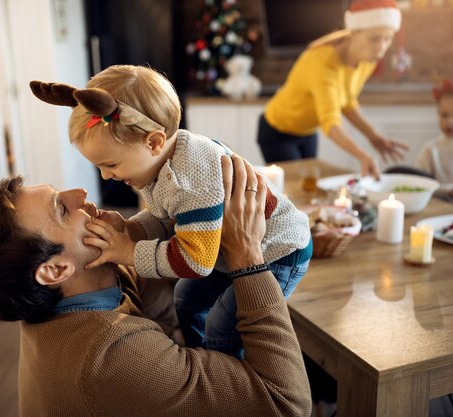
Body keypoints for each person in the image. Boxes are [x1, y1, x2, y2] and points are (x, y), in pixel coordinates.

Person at [0, 155, 312, 417]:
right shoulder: (111, 359)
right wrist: (248, 255)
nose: (81, 193)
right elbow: (286, 403)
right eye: (62, 210)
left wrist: (144, 226)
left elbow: (157, 288)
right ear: (54, 270)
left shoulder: (75, 294)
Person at [30, 65, 312, 358]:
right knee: (186, 298)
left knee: (222, 327)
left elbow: (196, 260)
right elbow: (168, 217)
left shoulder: (189, 178)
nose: (105, 176)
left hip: (279, 252)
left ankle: (226, 373)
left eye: (111, 165)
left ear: (153, 142)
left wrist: (129, 252)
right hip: (225, 253)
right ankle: (198, 355)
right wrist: (131, 229)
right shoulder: (165, 162)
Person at [257, 0, 409, 179]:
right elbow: (330, 122)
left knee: (308, 187)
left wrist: (373, 136)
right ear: (353, 33)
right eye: (374, 38)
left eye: (387, 38)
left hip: (307, 132)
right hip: (277, 131)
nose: (381, 47)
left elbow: (347, 101)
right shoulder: (322, 63)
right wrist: (362, 156)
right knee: (289, 193)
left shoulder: (366, 60)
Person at [415, 78, 453, 199]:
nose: (449, 121)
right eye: (444, 115)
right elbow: (418, 185)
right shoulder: (430, 150)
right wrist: (448, 190)